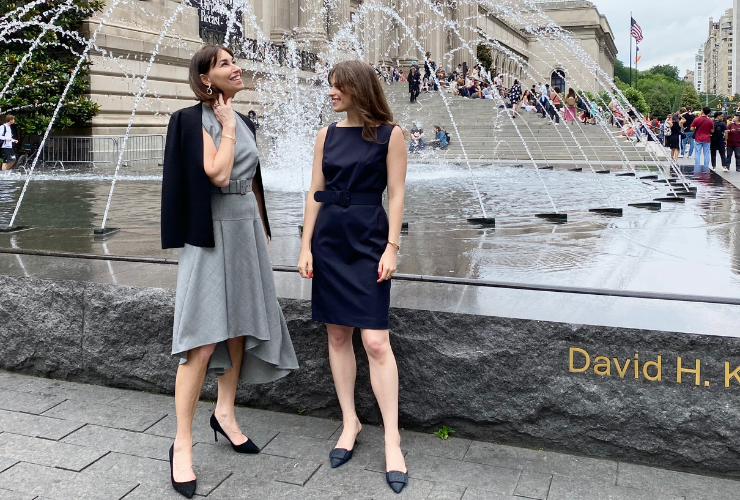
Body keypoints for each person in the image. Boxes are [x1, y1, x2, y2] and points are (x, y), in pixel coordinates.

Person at [161, 45, 298, 499]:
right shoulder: (191, 119)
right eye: (224, 63)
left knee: (239, 329)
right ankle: (182, 444)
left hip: (245, 234)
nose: (236, 67)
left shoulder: (244, 119)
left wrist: (263, 233)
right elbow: (218, 174)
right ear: (205, 78)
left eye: (233, 61)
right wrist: (225, 127)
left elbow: (252, 183)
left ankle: (225, 413)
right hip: (211, 233)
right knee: (201, 341)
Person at [297, 59, 408, 494]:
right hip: (329, 239)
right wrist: (305, 245)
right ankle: (350, 422)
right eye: (329, 87)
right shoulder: (325, 135)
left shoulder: (390, 134)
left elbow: (396, 194)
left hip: (368, 238)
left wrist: (392, 247)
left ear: (358, 89)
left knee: (376, 341)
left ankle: (392, 440)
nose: (330, 93)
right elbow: (313, 192)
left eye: (337, 86)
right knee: (338, 336)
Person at [691, 106, 714, 174]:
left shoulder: (696, 119)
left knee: (697, 153)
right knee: (706, 153)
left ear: (702, 111)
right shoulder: (710, 120)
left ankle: (697, 166)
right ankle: (706, 166)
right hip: (707, 139)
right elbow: (712, 130)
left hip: (698, 138)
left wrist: (697, 129)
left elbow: (692, 129)